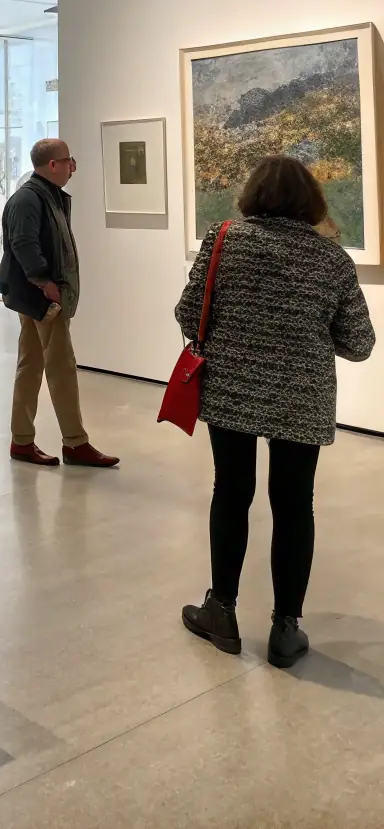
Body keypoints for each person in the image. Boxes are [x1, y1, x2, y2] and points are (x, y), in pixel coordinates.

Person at [176, 155, 374, 668]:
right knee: (293, 507)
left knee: (232, 493)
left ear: (252, 195)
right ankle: (286, 629)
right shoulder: (331, 260)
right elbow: (359, 344)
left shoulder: (225, 240)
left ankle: (222, 611)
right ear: (311, 199)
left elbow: (186, 311)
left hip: (232, 392)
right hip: (300, 399)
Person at [0, 138, 119, 469]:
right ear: (53, 165)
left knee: (31, 366)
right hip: (43, 300)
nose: (72, 167)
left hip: (39, 298)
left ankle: (22, 441)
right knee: (61, 367)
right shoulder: (30, 198)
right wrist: (45, 283)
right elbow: (23, 243)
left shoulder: (44, 196)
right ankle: (75, 442)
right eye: (69, 161)